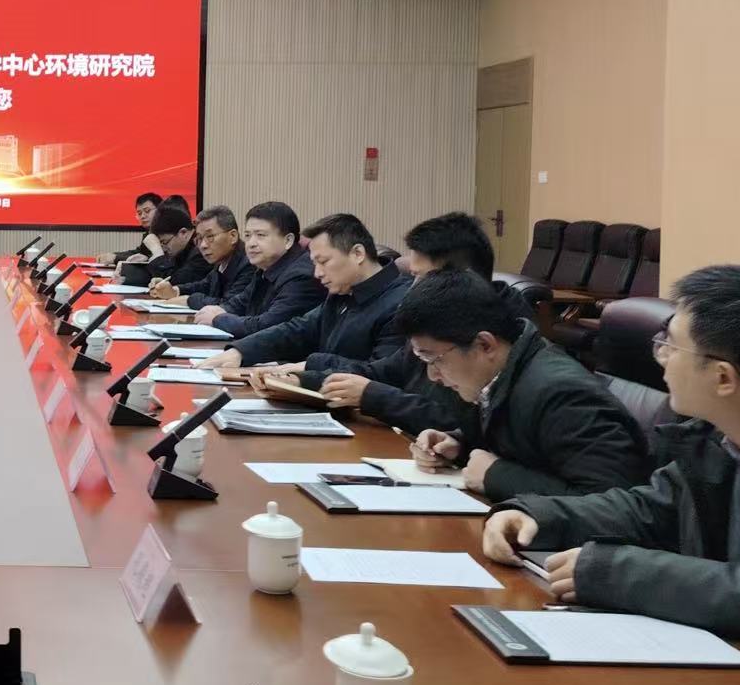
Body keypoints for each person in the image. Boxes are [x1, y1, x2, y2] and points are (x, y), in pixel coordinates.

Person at [483, 265, 740, 685]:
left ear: (723, 378)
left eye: (669, 346)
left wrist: (619, 572)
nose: (660, 358)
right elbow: (654, 508)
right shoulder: (726, 429)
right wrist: (538, 514)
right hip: (737, 665)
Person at [393, 270, 648, 497]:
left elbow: (614, 502)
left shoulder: (563, 394)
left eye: (434, 359)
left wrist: (496, 476)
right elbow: (525, 446)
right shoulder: (499, 374)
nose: (432, 376)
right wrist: (458, 445)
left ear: (485, 345)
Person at [318, 211, 529, 428]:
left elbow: (465, 422)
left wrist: (374, 397)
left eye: (422, 277)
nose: (412, 289)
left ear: (458, 276)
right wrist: (308, 379)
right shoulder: (436, 316)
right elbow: (383, 371)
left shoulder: (502, 332)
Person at [207, 213, 410, 384]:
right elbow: (298, 330)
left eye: (324, 262)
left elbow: (380, 374)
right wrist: (241, 352)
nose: (317, 273)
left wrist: (307, 370)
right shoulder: (343, 291)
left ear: (358, 253)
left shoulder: (400, 303)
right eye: (314, 264)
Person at [198, 202, 323, 337]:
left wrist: (218, 319)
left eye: (260, 235)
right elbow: (240, 303)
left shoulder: (301, 276)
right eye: (248, 235)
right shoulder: (266, 267)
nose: (251, 244)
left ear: (288, 240)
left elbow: (267, 327)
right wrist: (218, 310)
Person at [148, 205, 251, 309]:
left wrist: (189, 300)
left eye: (210, 236)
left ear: (233, 236)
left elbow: (230, 305)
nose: (203, 245)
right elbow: (204, 285)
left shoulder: (249, 263)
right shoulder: (222, 261)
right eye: (200, 238)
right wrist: (175, 291)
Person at [100, 192, 165, 265]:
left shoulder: (166, 232)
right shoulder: (149, 232)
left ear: (160, 210)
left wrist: (116, 258)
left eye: (147, 211)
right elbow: (140, 253)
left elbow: (149, 259)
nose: (143, 216)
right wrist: (113, 255)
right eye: (139, 213)